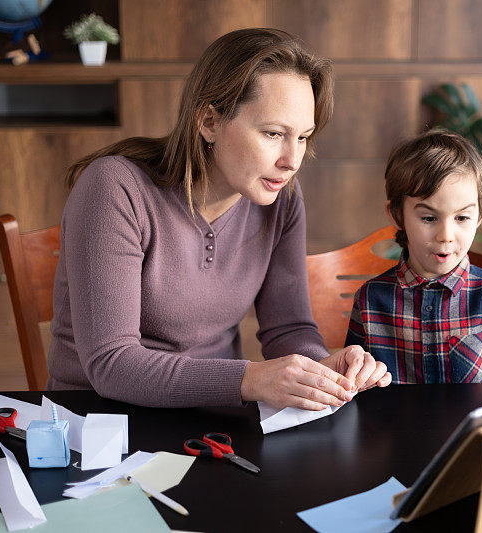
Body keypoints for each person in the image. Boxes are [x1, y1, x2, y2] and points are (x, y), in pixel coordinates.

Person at [48, 28, 391, 409]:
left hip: (215, 419)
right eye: (273, 133)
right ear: (209, 121)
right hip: (102, 424)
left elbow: (288, 326)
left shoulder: (283, 201)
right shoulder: (116, 188)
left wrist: (321, 367)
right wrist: (251, 377)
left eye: (303, 137)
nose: (291, 161)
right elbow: (111, 364)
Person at [345, 130, 482, 383]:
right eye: (429, 218)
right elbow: (351, 386)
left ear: (479, 216)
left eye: (462, 218)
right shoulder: (370, 299)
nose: (446, 235)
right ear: (396, 215)